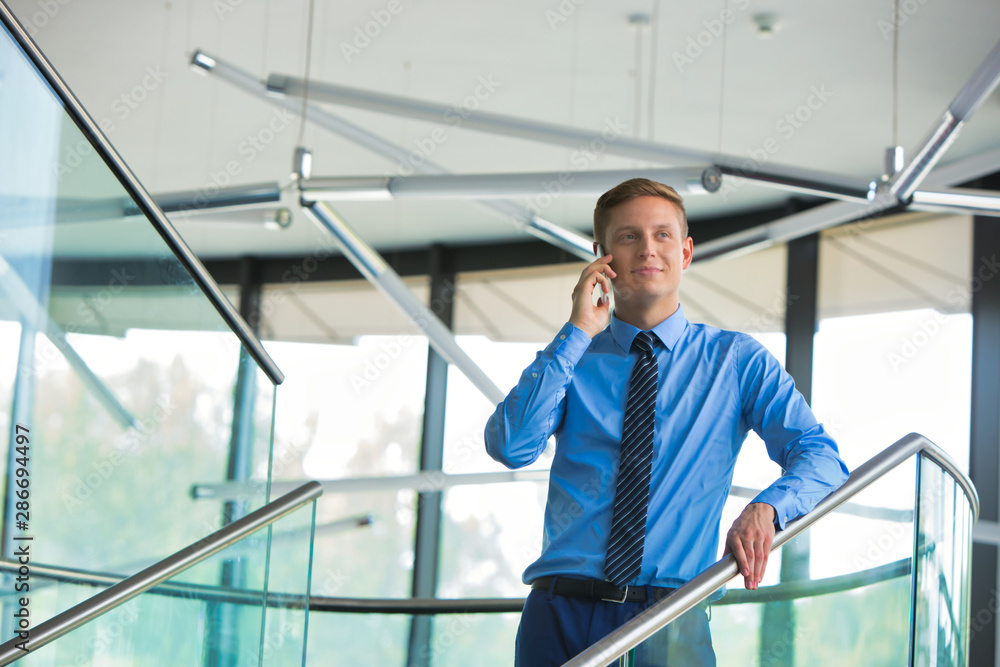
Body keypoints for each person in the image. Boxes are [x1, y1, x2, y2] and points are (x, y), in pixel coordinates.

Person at [484, 178, 849, 666]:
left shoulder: (736, 360)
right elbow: (510, 445)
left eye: (662, 235)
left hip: (673, 617)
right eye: (628, 236)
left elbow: (822, 457)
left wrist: (768, 508)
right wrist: (575, 332)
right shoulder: (573, 357)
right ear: (602, 256)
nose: (647, 249)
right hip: (558, 615)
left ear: (686, 251)